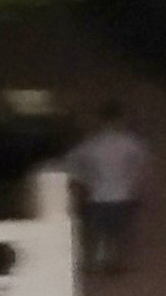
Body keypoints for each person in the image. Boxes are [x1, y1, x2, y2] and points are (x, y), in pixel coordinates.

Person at [63, 101, 151, 276]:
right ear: (120, 120)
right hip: (122, 195)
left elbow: (70, 162)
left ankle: (98, 260)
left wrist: (85, 179)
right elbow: (143, 165)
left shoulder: (93, 143)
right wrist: (135, 183)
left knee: (99, 230)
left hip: (98, 195)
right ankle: (112, 261)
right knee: (118, 231)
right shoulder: (130, 142)